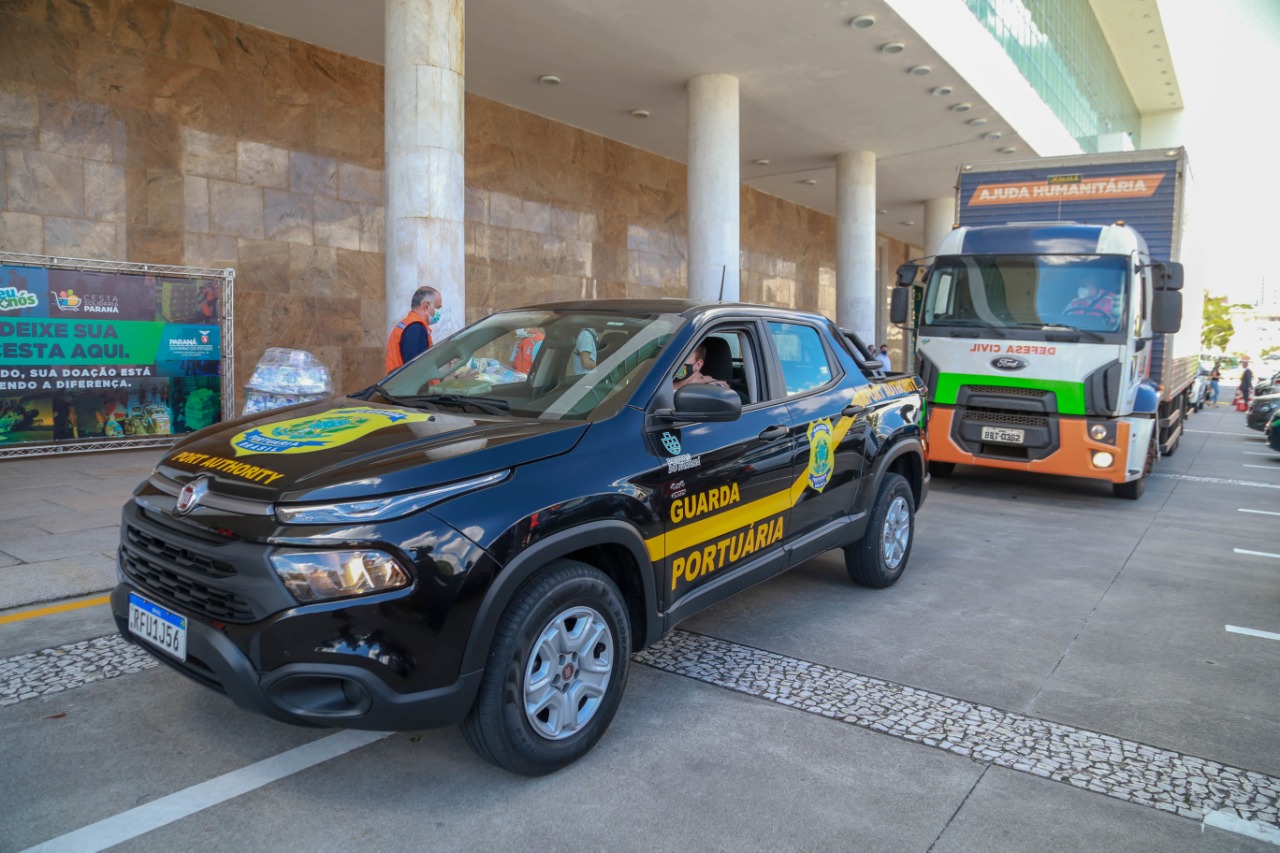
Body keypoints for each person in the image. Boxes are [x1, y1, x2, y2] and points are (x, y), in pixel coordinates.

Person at [385, 286, 442, 373]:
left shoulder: (408, 324)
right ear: (426, 306)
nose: (439, 312)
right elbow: (416, 371)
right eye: (438, 307)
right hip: (407, 385)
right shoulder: (415, 328)